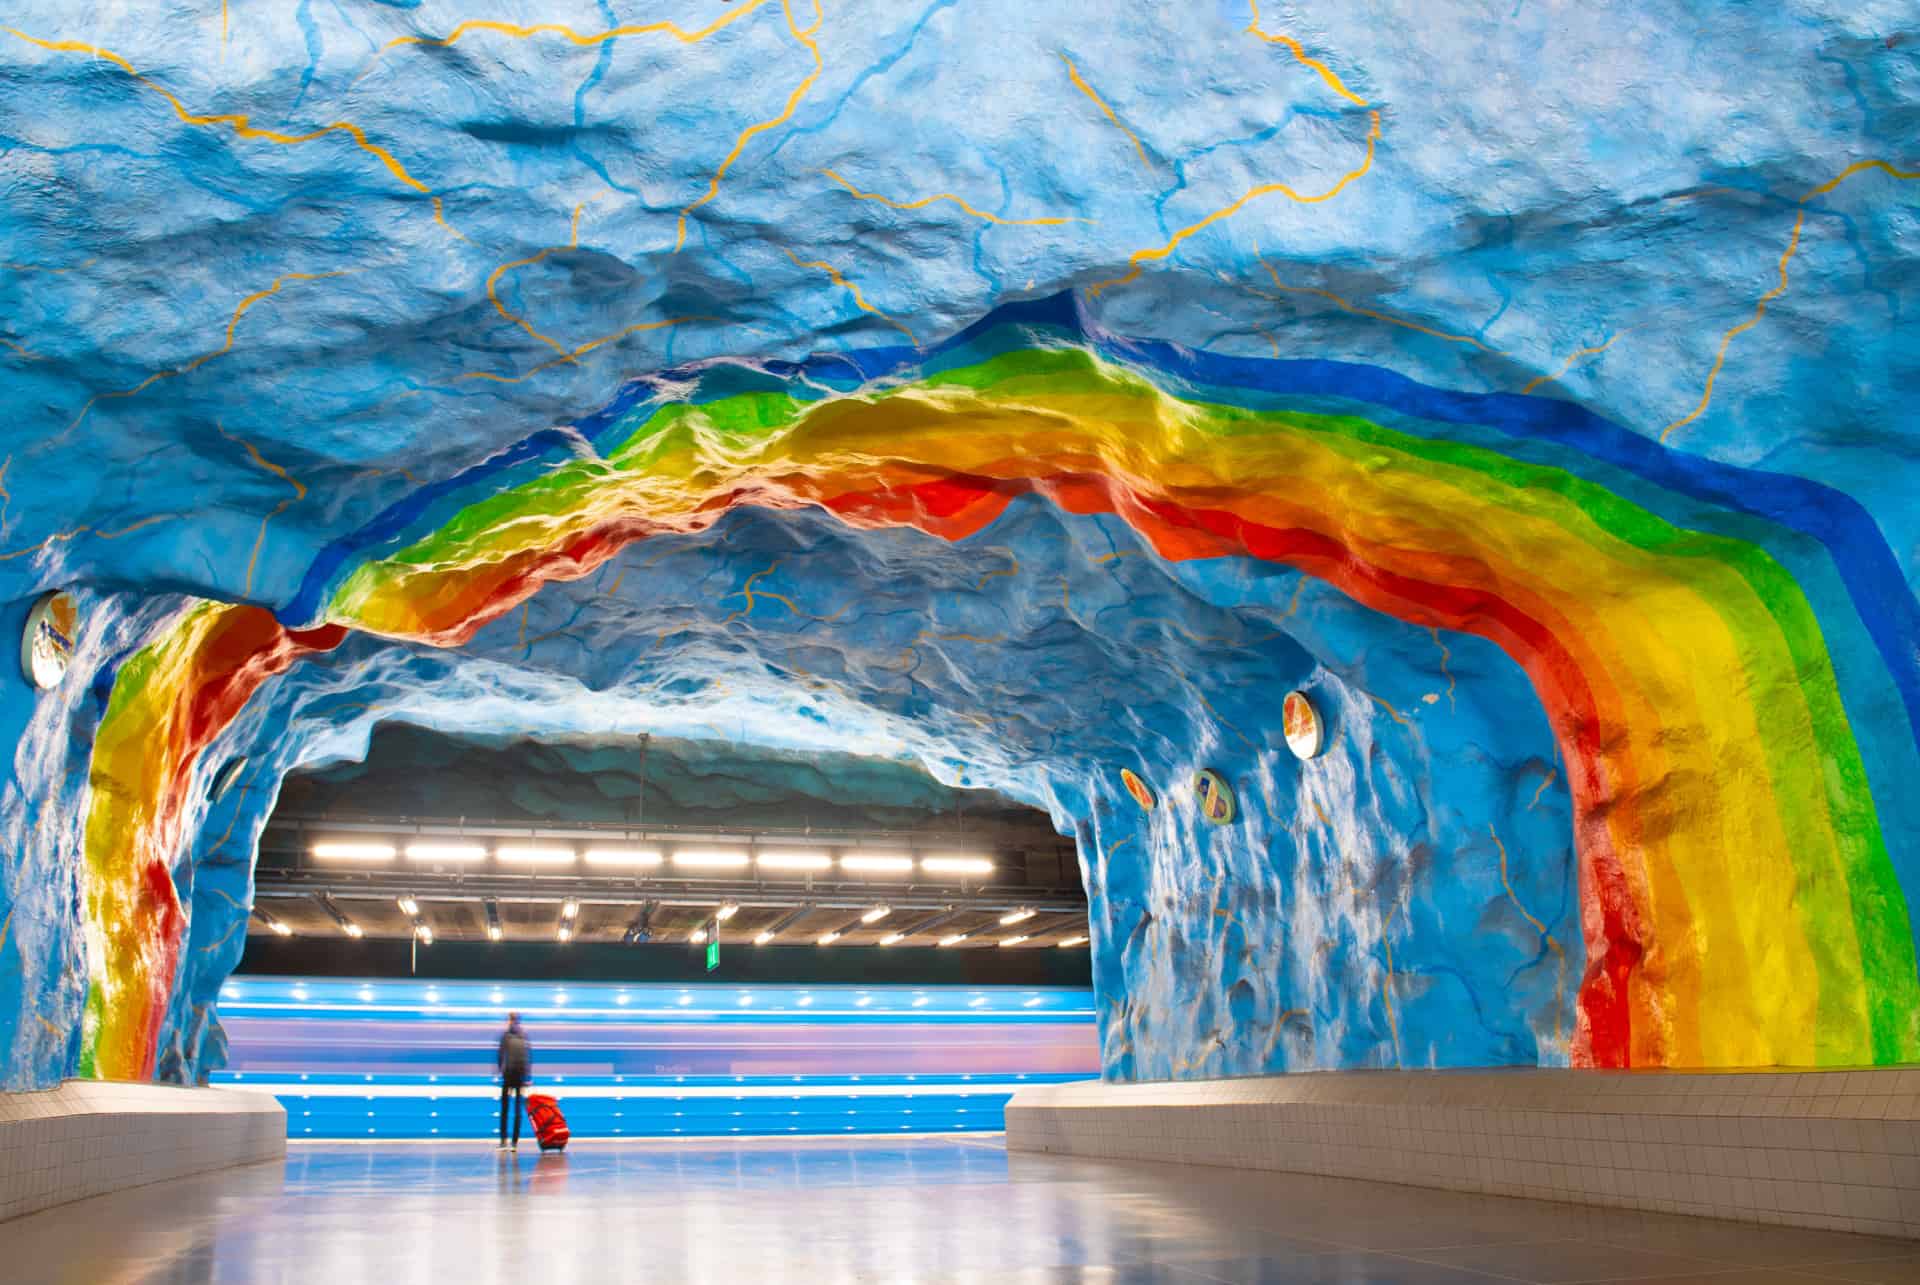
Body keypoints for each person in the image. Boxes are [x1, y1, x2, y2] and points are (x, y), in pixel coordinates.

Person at [497, 1012, 532, 1150]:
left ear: (510, 1021)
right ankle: (514, 1143)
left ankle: (503, 1141)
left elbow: (500, 1055)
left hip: (508, 1076)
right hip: (520, 1077)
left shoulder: (505, 1036)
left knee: (505, 1110)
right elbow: (529, 1057)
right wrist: (528, 1077)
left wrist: (501, 1072)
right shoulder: (524, 1036)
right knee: (517, 1110)